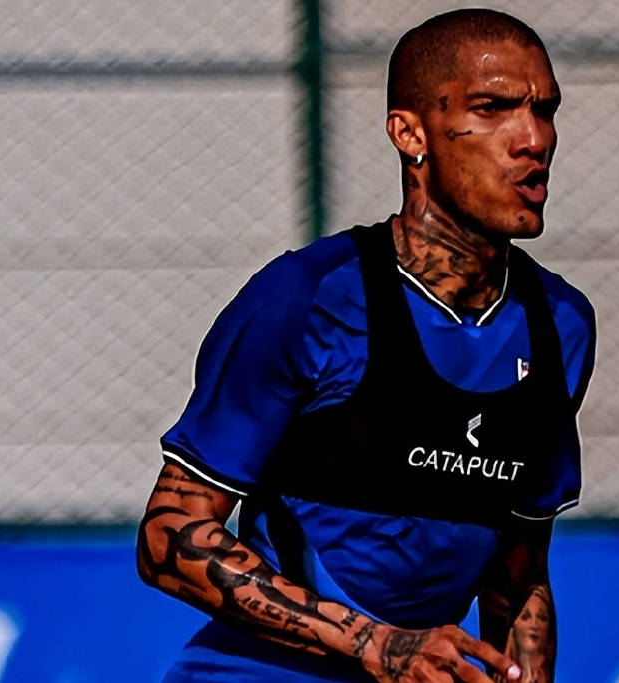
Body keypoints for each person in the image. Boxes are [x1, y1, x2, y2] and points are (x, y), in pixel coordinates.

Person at [137, 8, 595, 683]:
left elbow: (519, 578)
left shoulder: (561, 324)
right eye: (494, 108)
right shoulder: (308, 297)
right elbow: (169, 537)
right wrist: (378, 645)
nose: (534, 138)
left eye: (545, 110)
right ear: (410, 134)